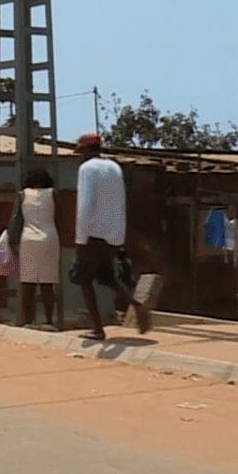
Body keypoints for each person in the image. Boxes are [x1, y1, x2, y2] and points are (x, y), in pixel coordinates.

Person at [73, 133, 151, 339]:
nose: (80, 156)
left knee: (83, 279)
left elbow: (85, 204)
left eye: (80, 151)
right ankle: (136, 305)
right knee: (107, 277)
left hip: (91, 235)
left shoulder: (87, 169)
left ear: (86, 150)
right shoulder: (114, 167)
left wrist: (80, 238)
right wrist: (118, 235)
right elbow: (120, 202)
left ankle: (97, 329)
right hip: (113, 235)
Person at [15, 167, 60, 328]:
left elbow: (16, 218)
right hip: (49, 237)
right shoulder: (53, 194)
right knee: (47, 283)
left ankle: (27, 320)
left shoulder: (23, 195)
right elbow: (59, 217)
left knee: (28, 283)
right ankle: (49, 320)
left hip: (28, 239)